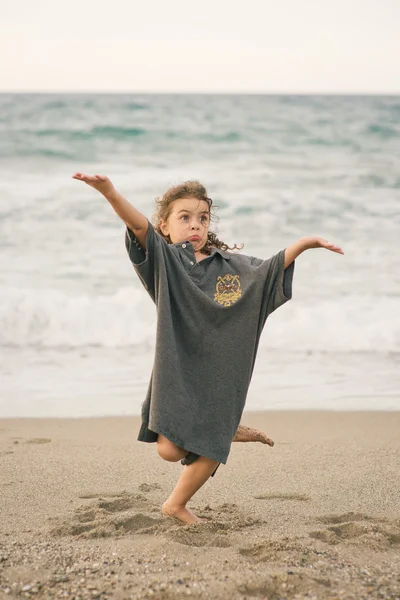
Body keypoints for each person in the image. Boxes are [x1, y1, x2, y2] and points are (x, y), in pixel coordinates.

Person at [72, 172, 344, 524]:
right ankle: (224, 429)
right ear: (165, 227)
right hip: (179, 366)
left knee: (210, 442)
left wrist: (305, 243)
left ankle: (176, 503)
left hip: (222, 370)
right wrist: (109, 192)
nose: (195, 225)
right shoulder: (164, 262)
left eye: (202, 218)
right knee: (168, 449)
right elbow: (138, 227)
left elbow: (270, 271)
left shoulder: (231, 266)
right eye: (184, 217)